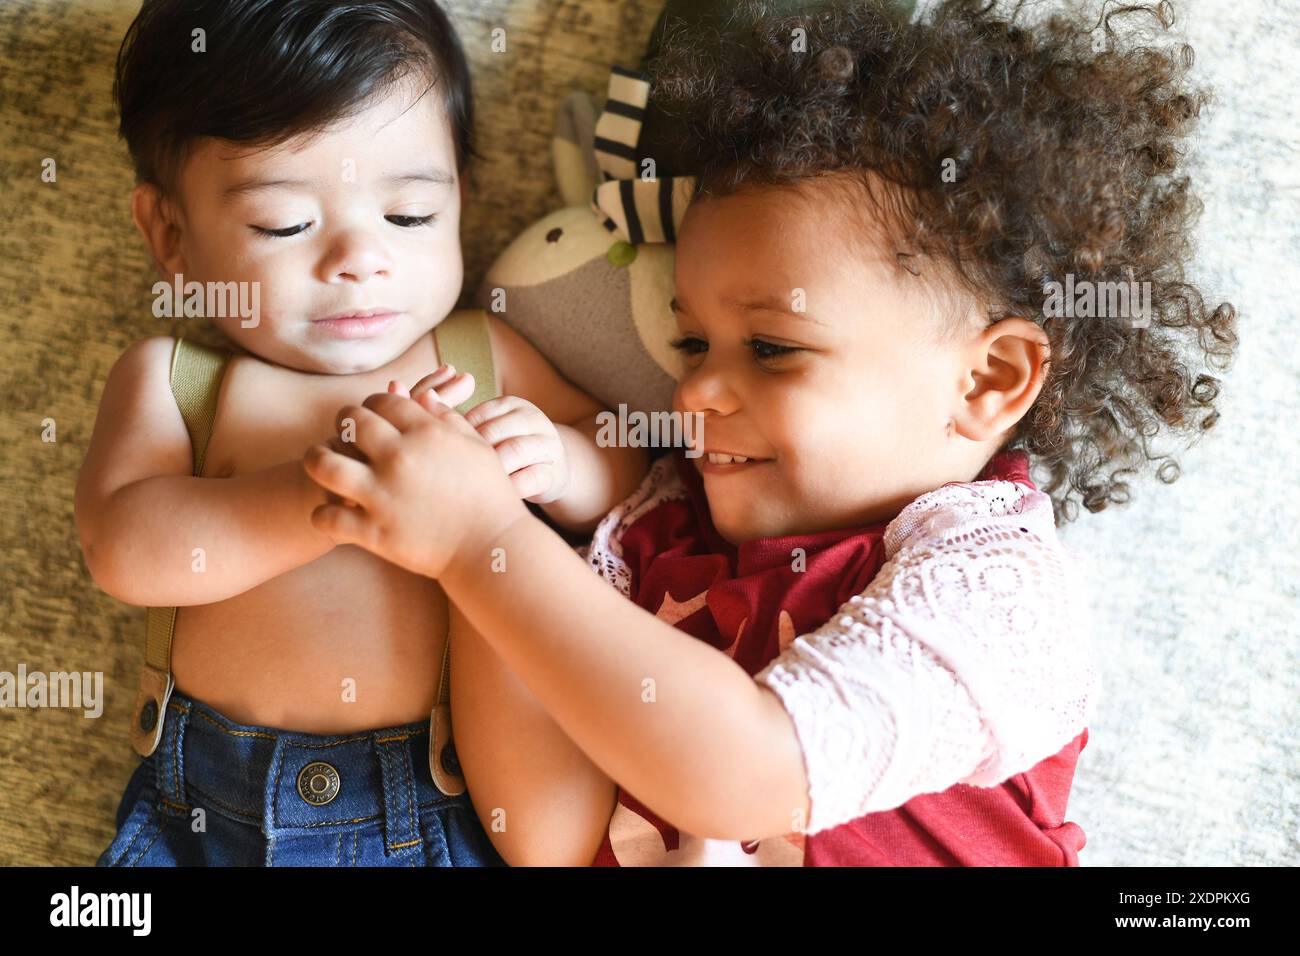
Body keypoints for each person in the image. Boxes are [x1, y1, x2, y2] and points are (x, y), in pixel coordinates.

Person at [302, 0, 1237, 865]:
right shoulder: (659, 531)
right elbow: (546, 835)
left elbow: (746, 778)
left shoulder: (992, 587)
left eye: (774, 348)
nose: (697, 389)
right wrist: (496, 542)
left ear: (987, 381)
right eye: (691, 340)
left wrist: (479, 546)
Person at [79, 0, 646, 866]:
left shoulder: (477, 353)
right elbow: (127, 548)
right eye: (284, 224)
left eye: (409, 215)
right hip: (199, 816)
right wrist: (328, 489)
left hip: (431, 802)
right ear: (170, 236)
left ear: (459, 195)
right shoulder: (177, 382)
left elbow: (625, 463)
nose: (360, 257)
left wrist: (557, 460)